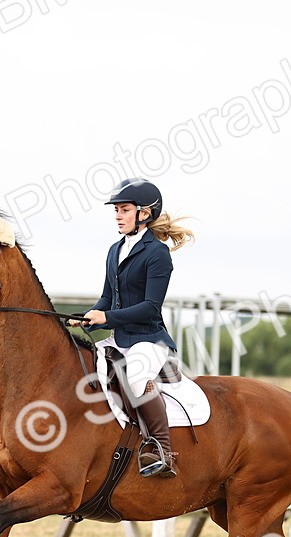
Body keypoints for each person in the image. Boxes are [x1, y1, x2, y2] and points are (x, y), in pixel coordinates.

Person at [70, 179, 194, 478]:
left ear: (144, 213)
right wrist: (89, 315)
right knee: (82, 368)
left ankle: (162, 450)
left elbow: (151, 307)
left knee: (137, 378)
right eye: (116, 210)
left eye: (124, 210)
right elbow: (107, 298)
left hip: (148, 340)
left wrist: (107, 318)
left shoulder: (157, 253)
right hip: (119, 338)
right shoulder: (115, 250)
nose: (118, 216)